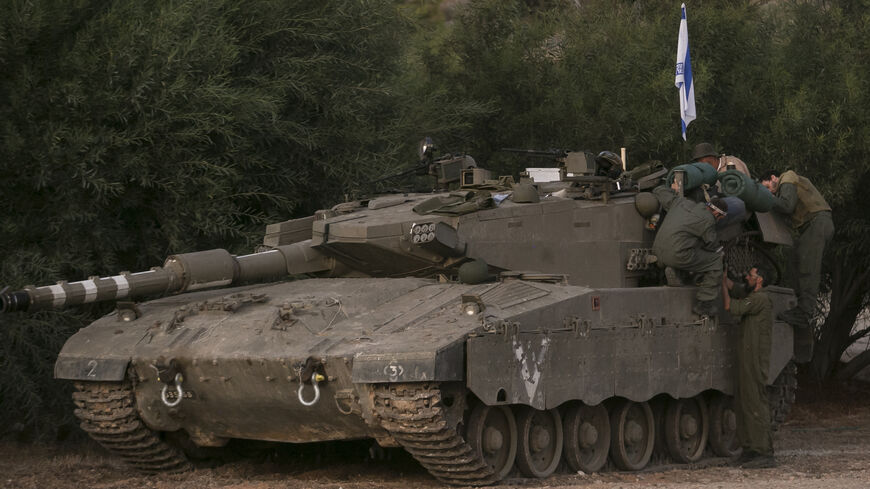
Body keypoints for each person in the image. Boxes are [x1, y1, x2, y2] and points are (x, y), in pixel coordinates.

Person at [759, 170, 833, 328]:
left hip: (817, 223)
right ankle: (800, 309)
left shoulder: (787, 177)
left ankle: (805, 313)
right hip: (809, 227)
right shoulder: (784, 188)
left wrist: (765, 197)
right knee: (795, 262)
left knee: (808, 267)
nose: (769, 191)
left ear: (773, 178)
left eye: (766, 187)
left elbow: (786, 205)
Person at [723, 266, 776, 469]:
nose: (747, 277)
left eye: (751, 275)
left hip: (754, 360)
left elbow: (731, 306)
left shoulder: (760, 299)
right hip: (747, 358)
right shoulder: (753, 294)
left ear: (760, 280)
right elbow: (738, 288)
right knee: (744, 402)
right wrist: (725, 278)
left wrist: (721, 285)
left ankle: (764, 451)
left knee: (755, 402)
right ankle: (750, 449)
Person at [653, 181, 728, 316]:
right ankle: (704, 305)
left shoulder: (681, 202)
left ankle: (676, 271)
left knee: (686, 246)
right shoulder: (708, 220)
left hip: (657, 252)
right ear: (717, 215)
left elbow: (659, 190)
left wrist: (673, 189)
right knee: (715, 262)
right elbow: (711, 245)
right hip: (676, 255)